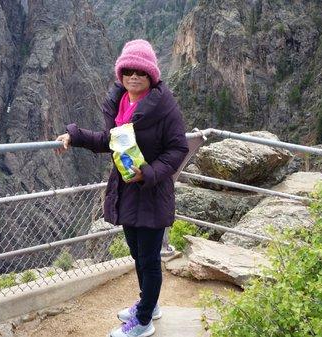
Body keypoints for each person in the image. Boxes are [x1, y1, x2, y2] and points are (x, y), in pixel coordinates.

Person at [55, 39, 189, 337]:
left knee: (149, 259)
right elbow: (109, 140)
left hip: (152, 193)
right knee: (136, 253)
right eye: (127, 70)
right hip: (127, 191)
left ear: (151, 75)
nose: (133, 76)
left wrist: (150, 173)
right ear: (120, 73)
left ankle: (142, 322)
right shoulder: (121, 103)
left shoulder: (164, 107)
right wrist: (73, 136)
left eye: (140, 72)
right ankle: (148, 304)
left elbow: (178, 148)